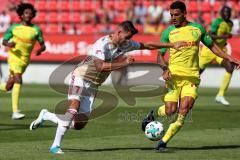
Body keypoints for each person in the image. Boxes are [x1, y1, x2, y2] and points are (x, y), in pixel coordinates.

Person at [29, 21, 186, 154]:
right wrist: (124, 63)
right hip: (80, 76)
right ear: (118, 32)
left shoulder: (125, 44)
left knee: (78, 124)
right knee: (74, 106)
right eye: (127, 37)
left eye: (130, 38)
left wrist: (171, 44)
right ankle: (55, 146)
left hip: (93, 85)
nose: (128, 41)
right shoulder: (103, 44)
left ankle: (46, 115)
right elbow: (100, 66)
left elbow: (147, 44)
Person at [141, 1, 240, 152]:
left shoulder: (197, 29)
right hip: (173, 78)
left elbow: (212, 46)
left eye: (176, 15)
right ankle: (154, 113)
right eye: (171, 15)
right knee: (170, 111)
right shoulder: (168, 32)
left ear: (185, 13)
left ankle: (163, 142)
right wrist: (164, 68)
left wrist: (228, 57)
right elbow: (159, 56)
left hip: (191, 78)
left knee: (184, 110)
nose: (173, 18)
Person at [0, 3, 46, 119]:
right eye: (26, 13)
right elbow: (4, 41)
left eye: (31, 13)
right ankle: (15, 112)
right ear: (21, 15)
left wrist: (40, 50)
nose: (28, 15)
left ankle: (14, 106)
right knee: (18, 79)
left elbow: (43, 45)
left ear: (33, 15)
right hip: (14, 57)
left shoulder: (36, 30)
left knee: (8, 86)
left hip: (25, 60)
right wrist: (9, 43)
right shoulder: (14, 27)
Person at [199, 6, 234, 106]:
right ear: (221, 13)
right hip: (209, 50)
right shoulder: (217, 22)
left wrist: (224, 42)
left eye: (228, 12)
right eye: (225, 12)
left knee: (230, 67)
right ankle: (181, 90)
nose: (227, 14)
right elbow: (211, 35)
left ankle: (220, 95)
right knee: (197, 73)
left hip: (220, 51)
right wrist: (225, 36)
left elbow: (223, 37)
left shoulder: (230, 23)